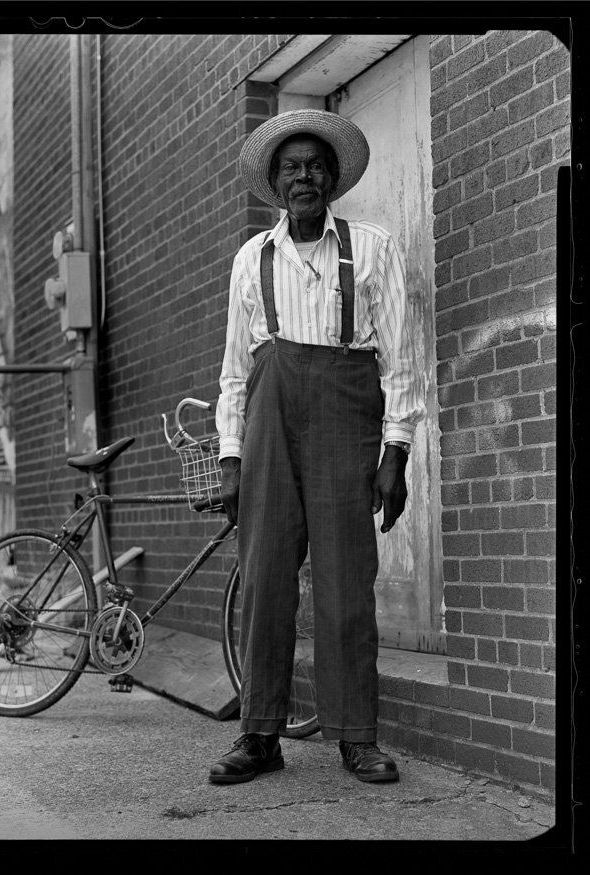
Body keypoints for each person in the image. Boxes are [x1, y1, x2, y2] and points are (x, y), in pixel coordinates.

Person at [210, 109, 425, 785]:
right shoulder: (253, 258)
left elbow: (401, 361)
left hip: (345, 411)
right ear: (275, 182)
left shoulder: (373, 247)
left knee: (344, 584)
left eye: (314, 166)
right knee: (266, 578)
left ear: (333, 177)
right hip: (269, 419)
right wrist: (229, 459)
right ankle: (260, 733)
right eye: (290, 167)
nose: (303, 176)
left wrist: (397, 453)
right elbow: (234, 372)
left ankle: (356, 735)